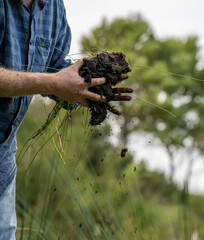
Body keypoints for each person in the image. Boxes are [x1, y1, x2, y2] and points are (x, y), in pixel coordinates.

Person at [0, 0, 132, 238]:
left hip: (3, 161)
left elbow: (55, 70)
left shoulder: (53, 8)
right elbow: (52, 80)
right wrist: (53, 83)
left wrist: (89, 87)